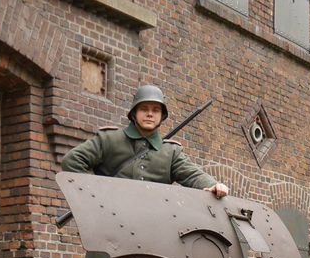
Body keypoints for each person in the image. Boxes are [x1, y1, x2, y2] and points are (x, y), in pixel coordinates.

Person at [61, 84, 230, 198]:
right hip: (109, 223)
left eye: (155, 110)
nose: (150, 114)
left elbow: (192, 175)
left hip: (152, 229)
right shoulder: (109, 139)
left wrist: (213, 185)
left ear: (162, 116)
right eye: (144, 109)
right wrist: (95, 194)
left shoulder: (170, 152)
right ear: (134, 113)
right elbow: (72, 161)